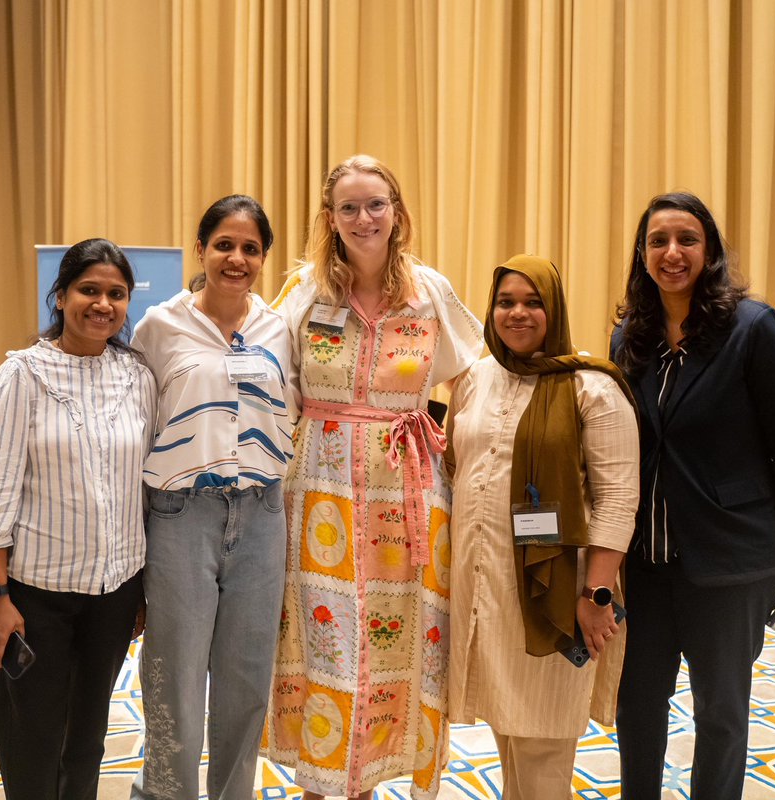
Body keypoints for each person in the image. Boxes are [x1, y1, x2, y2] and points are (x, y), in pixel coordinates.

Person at [264, 155, 483, 800]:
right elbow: (269, 379)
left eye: (376, 204)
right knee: (324, 635)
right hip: (320, 491)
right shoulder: (304, 292)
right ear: (329, 218)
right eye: (349, 207)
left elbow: (469, 377)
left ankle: (379, 775)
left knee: (403, 636)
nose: (364, 218)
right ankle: (323, 784)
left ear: (398, 212)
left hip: (408, 487)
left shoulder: (430, 292)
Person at [611, 192, 775, 800]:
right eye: (658, 241)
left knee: (721, 715)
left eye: (687, 239)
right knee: (638, 709)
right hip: (646, 567)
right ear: (642, 254)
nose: (672, 253)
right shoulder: (631, 338)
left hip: (729, 566)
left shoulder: (753, 330)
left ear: (710, 251)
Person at [445, 255, 639, 800]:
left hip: (557, 593)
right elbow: (455, 470)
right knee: (510, 734)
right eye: (506, 302)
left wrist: (597, 592)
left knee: (544, 746)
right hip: (487, 590)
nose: (519, 313)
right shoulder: (477, 379)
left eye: (534, 302)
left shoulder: (592, 389)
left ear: (554, 310)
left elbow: (619, 500)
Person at [0, 238, 157, 800]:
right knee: (32, 731)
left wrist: (143, 589)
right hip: (36, 594)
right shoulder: (20, 375)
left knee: (88, 734)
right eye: (89, 290)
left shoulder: (138, 376)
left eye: (116, 294)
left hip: (116, 591)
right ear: (60, 295)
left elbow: (144, 488)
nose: (102, 304)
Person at [130, 195, 294, 800]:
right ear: (201, 249)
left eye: (251, 248)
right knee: (173, 678)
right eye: (224, 244)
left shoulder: (278, 327)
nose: (237, 258)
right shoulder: (160, 326)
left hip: (262, 514)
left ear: (263, 259)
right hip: (182, 515)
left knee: (246, 682)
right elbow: (139, 423)